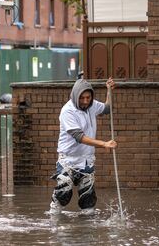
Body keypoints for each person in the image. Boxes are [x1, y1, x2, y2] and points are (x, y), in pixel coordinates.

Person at [49, 77, 117, 215]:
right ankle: (54, 223)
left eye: (88, 98)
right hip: (68, 160)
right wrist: (103, 143)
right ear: (75, 96)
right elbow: (79, 137)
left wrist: (109, 91)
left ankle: (86, 231)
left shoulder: (92, 105)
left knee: (88, 200)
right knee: (63, 193)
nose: (85, 101)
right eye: (82, 98)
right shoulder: (67, 111)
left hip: (87, 160)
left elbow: (107, 109)